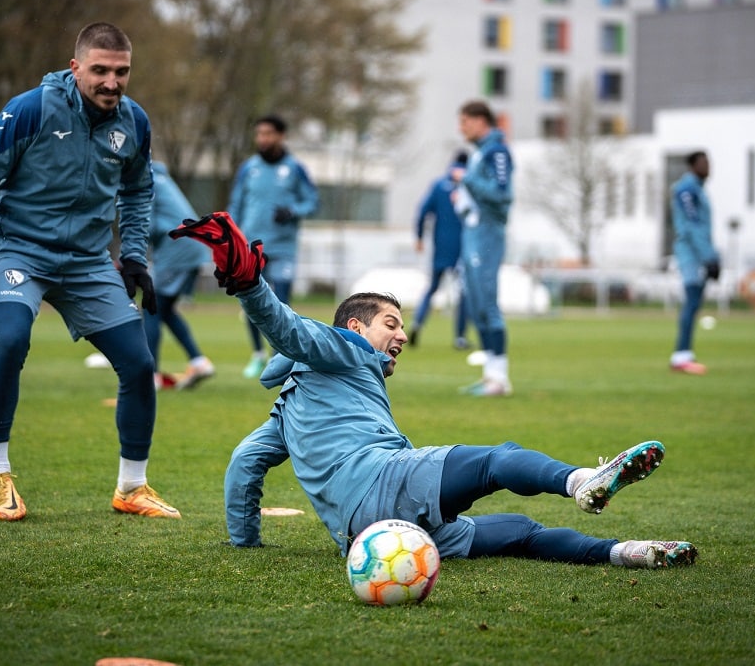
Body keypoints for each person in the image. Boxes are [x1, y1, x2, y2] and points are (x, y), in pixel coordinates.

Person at [170, 212, 697, 570]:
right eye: (390, 323)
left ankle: (630, 552)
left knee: (520, 531)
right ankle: (583, 479)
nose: (401, 335)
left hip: (368, 536)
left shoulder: (286, 409)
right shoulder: (342, 348)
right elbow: (290, 329)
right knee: (498, 459)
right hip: (385, 482)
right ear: (355, 329)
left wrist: (246, 545)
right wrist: (249, 285)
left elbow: (244, 463)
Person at [0, 22, 179, 522]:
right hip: (19, 250)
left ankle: (132, 487)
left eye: (121, 72)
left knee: (140, 364)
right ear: (75, 67)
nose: (111, 82)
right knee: (11, 341)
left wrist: (136, 257)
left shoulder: (135, 122)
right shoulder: (29, 109)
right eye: (100, 70)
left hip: (87, 261)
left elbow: (139, 191)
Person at [227, 113, 319, 379]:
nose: (263, 139)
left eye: (268, 134)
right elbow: (236, 204)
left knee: (281, 302)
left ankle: (282, 356)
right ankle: (257, 355)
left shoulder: (295, 168)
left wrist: (292, 210)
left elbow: (312, 201)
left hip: (283, 248)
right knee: (251, 304)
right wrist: (233, 236)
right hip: (251, 247)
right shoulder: (248, 168)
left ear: (281, 136)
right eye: (259, 134)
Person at [452, 100, 513, 396]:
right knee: (476, 306)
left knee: (488, 304)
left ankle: (500, 378)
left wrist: (469, 181)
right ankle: (490, 375)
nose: (461, 128)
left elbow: (502, 195)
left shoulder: (497, 151)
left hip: (488, 236)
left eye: (465, 121)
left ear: (480, 121)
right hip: (473, 233)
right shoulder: (479, 154)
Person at [144, 160, 214, 391]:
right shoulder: (161, 176)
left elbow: (150, 225)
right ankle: (198, 361)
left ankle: (150, 376)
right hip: (192, 247)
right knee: (164, 310)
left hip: (176, 250)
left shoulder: (145, 179)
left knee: (150, 307)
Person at [410, 151, 471, 350]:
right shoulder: (468, 184)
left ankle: (417, 323)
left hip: (440, 247)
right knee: (463, 293)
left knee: (432, 289)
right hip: (463, 248)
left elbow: (423, 211)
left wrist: (419, 237)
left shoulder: (438, 185)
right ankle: (460, 337)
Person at [668, 151, 720, 375]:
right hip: (692, 255)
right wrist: (708, 257)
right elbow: (692, 226)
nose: (708, 166)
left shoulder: (697, 189)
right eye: (703, 162)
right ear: (692, 165)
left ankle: (684, 354)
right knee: (691, 303)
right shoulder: (686, 190)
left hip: (700, 254)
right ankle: (681, 356)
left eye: (709, 162)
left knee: (695, 303)